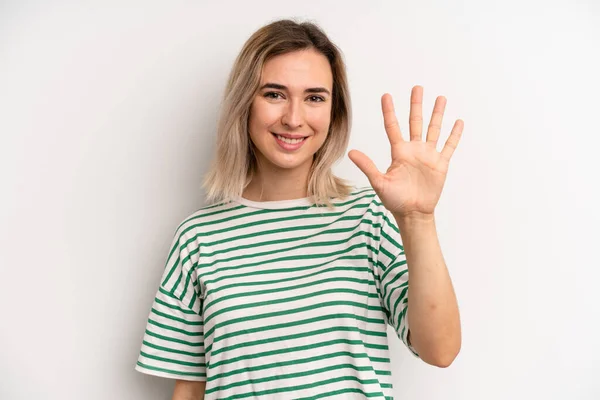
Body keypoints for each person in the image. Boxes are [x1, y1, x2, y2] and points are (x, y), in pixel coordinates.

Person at [135, 18, 462, 400]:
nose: (293, 118)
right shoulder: (198, 238)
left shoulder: (367, 218)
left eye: (314, 97)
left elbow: (440, 350)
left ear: (333, 112)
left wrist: (417, 219)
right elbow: (189, 390)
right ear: (245, 103)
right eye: (274, 94)